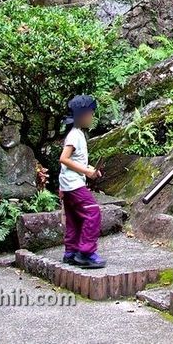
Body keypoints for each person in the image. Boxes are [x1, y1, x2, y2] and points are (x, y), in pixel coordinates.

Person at [58, 95, 106, 269]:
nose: (92, 117)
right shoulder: (75, 135)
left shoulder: (77, 134)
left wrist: (91, 169)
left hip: (68, 184)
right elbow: (64, 159)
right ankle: (85, 253)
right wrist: (87, 172)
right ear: (82, 115)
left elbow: (75, 160)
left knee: (74, 217)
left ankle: (70, 252)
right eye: (91, 114)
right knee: (92, 212)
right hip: (73, 184)